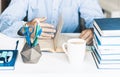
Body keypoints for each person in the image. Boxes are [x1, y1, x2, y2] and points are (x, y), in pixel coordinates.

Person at [0, 0, 104, 45]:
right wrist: (26, 29)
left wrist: (93, 31)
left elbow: (99, 21)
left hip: (70, 51)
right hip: (34, 52)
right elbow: (4, 22)